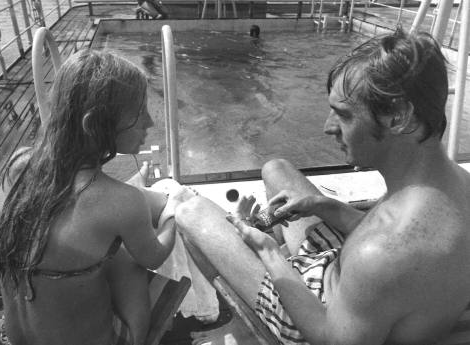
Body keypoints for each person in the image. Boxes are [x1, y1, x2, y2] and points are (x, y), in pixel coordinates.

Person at [175, 28, 470, 345]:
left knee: (192, 211)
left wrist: (269, 253)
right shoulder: (449, 186)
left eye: (343, 114)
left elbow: (329, 337)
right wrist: (322, 205)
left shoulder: (380, 253)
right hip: (356, 289)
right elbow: (399, 247)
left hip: (325, 319)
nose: (327, 127)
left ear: (399, 117)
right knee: (277, 169)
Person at [0, 49, 192, 345]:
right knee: (125, 257)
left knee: (94, 242)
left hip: (13, 337)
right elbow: (155, 254)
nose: (149, 122)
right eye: (139, 113)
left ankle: (138, 185)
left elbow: (74, 213)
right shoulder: (121, 202)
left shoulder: (18, 166)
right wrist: (172, 209)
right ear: (94, 124)